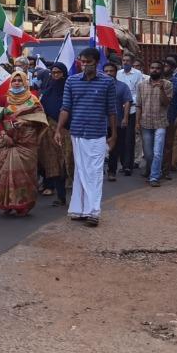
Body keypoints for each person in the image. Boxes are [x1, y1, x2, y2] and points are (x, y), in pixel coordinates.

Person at [56, 46, 117, 227]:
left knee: (95, 172)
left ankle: (93, 212)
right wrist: (58, 129)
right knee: (81, 171)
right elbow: (65, 108)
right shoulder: (72, 81)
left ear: (97, 63)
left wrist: (113, 135)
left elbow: (112, 111)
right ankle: (80, 209)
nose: (84, 66)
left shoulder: (107, 82)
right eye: (82, 62)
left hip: (97, 133)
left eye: (88, 62)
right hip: (77, 133)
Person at [0, 70, 48, 216]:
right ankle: (7, 203)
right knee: (5, 172)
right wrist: (4, 134)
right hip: (7, 141)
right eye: (14, 80)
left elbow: (41, 120)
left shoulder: (33, 100)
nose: (17, 83)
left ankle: (23, 205)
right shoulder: (4, 99)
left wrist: (23, 124)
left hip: (27, 142)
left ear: (25, 82)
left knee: (24, 174)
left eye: (20, 80)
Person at [37, 61, 71, 206]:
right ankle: (60, 196)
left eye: (58, 73)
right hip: (49, 132)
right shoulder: (47, 91)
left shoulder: (69, 91)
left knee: (66, 163)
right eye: (53, 73)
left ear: (64, 74)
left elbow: (70, 110)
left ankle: (76, 197)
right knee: (53, 163)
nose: (55, 75)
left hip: (66, 132)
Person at [134, 59, 172, 187]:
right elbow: (138, 105)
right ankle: (153, 170)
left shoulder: (167, 85)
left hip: (160, 123)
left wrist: (161, 89)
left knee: (157, 152)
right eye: (152, 68)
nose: (154, 70)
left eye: (157, 68)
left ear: (161, 71)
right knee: (149, 154)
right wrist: (137, 122)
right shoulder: (141, 85)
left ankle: (154, 177)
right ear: (149, 69)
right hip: (145, 123)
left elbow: (166, 103)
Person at [101, 61, 133, 182]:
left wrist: (125, 118)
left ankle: (111, 172)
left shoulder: (122, 86)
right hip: (100, 123)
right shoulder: (98, 86)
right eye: (106, 71)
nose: (108, 73)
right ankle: (98, 172)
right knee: (99, 148)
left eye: (111, 71)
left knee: (114, 149)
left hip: (116, 122)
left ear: (116, 72)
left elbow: (127, 102)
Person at [115, 52, 146, 173]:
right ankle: (123, 163)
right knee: (120, 138)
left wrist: (128, 100)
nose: (125, 62)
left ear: (132, 63)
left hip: (132, 109)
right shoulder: (118, 74)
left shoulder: (138, 74)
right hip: (119, 109)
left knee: (129, 139)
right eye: (123, 60)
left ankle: (129, 165)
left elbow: (139, 91)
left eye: (128, 61)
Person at [161, 58, 177, 180]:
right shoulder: (154, 81)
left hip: (170, 117)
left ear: (172, 68)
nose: (163, 68)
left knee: (167, 145)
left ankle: (166, 170)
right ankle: (152, 168)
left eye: (166, 66)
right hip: (154, 118)